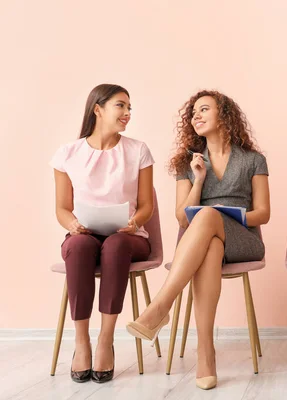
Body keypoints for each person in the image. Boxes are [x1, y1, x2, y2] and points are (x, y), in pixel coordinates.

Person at [126, 90, 270, 390]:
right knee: (209, 239)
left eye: (204, 110)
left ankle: (160, 307)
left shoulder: (253, 160)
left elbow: (263, 214)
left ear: (225, 116)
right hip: (202, 242)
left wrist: (227, 214)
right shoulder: (186, 163)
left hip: (243, 239)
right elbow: (182, 217)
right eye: (193, 113)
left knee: (207, 215)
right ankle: (206, 354)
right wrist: (199, 180)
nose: (197, 116)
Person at [51, 84, 155, 383]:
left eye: (129, 108)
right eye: (120, 106)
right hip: (85, 233)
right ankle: (81, 341)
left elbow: (147, 205)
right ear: (98, 109)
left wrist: (135, 221)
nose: (127, 113)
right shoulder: (67, 153)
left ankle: (105, 340)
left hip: (128, 237)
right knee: (80, 247)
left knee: (116, 245)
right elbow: (61, 208)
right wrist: (72, 224)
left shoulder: (137, 150)